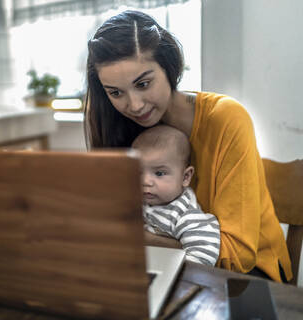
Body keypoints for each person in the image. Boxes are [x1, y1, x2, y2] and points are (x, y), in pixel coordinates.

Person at [84, 10, 292, 282]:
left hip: (247, 278)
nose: (133, 105)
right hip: (165, 268)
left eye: (143, 84)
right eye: (115, 92)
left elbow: (238, 255)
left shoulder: (226, 118)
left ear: (170, 69)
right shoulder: (116, 126)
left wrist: (138, 237)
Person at [132, 124, 220, 266]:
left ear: (185, 177)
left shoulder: (185, 215)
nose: (145, 181)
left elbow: (203, 255)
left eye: (159, 173)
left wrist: (175, 276)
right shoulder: (141, 201)